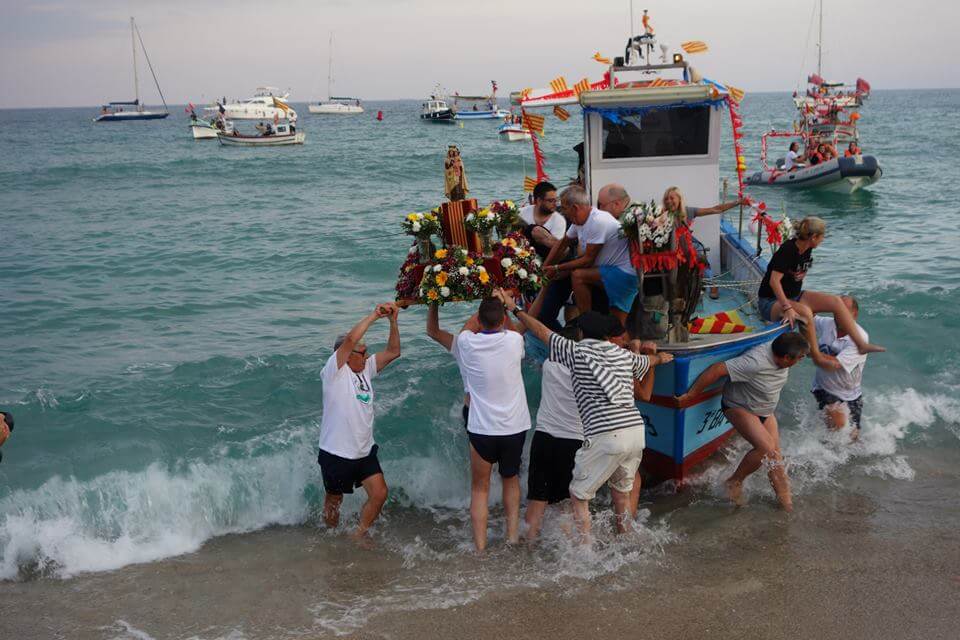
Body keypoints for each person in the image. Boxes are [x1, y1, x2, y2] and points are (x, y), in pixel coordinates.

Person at [500, 291, 674, 541]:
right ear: (607, 336)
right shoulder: (623, 356)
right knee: (622, 493)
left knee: (579, 495)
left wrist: (515, 310)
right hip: (635, 432)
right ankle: (626, 540)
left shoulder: (573, 353)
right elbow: (648, 362)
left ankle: (585, 551)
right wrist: (659, 357)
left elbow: (540, 331)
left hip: (603, 434)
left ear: (582, 334)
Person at [426, 298, 529, 552]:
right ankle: (512, 537)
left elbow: (437, 331)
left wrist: (436, 300)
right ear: (504, 319)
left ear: (478, 320)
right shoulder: (514, 342)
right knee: (510, 479)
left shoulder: (465, 344)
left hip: (481, 427)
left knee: (480, 489)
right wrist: (503, 302)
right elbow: (512, 329)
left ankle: (480, 549)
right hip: (513, 427)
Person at [677, 332, 810, 511]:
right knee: (766, 448)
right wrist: (691, 395)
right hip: (740, 406)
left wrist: (789, 310)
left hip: (765, 410)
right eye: (799, 358)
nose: (800, 361)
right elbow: (716, 369)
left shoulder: (783, 352)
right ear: (786, 358)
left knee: (776, 458)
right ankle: (734, 481)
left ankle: (787, 508)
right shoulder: (755, 362)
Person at [317, 303, 401, 541]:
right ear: (345, 354)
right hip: (336, 452)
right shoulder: (334, 371)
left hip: (364, 451)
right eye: (361, 352)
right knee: (334, 501)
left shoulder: (364, 370)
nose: (366, 356)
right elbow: (352, 337)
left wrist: (393, 321)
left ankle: (359, 533)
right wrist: (375, 315)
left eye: (366, 351)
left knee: (380, 493)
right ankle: (330, 535)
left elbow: (394, 352)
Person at [757, 216, 884, 356]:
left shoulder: (807, 249)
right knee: (805, 312)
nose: (823, 240)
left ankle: (861, 344)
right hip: (771, 302)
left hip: (795, 296)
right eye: (822, 237)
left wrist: (800, 282)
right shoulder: (788, 250)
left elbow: (799, 270)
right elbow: (774, 281)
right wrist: (787, 308)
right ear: (814, 237)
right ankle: (815, 354)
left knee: (836, 301)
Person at [523, 325, 584, 542]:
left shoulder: (549, 365)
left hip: (544, 439)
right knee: (565, 502)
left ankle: (528, 546)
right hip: (573, 441)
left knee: (537, 499)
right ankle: (564, 548)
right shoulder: (584, 370)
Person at [662, 186, 745, 299]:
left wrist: (738, 202)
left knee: (699, 255)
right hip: (669, 245)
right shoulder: (661, 214)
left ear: (679, 199)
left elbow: (715, 209)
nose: (669, 201)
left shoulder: (688, 211)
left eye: (672, 198)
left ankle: (712, 284)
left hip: (686, 243)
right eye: (666, 199)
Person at [811, 296, 869, 440]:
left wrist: (812, 351)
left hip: (852, 392)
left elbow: (835, 364)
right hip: (824, 387)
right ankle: (821, 457)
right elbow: (809, 316)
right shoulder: (827, 324)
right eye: (837, 311)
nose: (840, 315)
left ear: (854, 314)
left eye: (844, 312)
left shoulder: (859, 338)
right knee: (837, 429)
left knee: (853, 435)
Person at [520, 181, 567, 258]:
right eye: (551, 201)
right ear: (539, 200)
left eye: (556, 200)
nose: (555, 204)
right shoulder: (521, 213)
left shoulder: (559, 221)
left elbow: (556, 249)